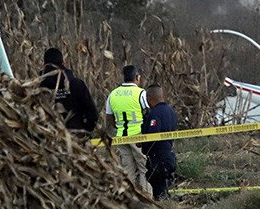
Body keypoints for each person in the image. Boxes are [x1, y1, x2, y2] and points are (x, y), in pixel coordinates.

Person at [105, 65, 152, 195]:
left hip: (121, 137)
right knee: (144, 169)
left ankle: (129, 199)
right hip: (138, 137)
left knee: (127, 170)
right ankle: (147, 198)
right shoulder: (141, 93)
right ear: (136, 77)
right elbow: (150, 113)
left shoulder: (112, 94)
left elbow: (109, 118)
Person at [40, 47, 98, 132]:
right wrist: (87, 128)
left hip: (48, 137)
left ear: (44, 65)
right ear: (63, 63)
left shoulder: (38, 87)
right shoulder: (76, 84)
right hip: (75, 136)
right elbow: (91, 111)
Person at [141, 84, 177, 199]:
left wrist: (142, 144)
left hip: (158, 158)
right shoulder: (170, 111)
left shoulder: (155, 113)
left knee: (159, 192)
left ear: (149, 97)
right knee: (164, 190)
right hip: (169, 156)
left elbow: (152, 136)